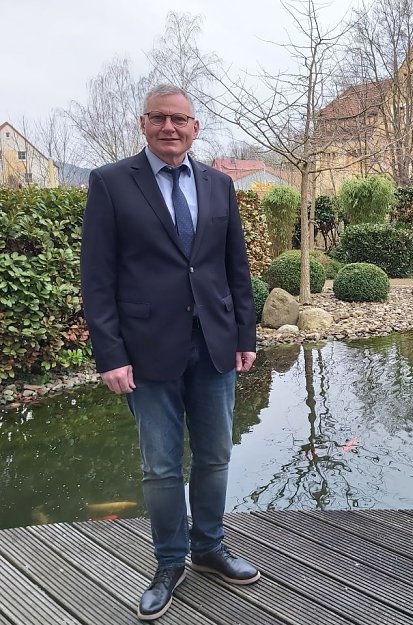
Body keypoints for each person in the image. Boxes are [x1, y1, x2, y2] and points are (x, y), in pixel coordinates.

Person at [81, 84, 259, 621]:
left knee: (215, 456)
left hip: (213, 345)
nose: (169, 128)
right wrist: (109, 354)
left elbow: (236, 269)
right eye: (159, 118)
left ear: (195, 127)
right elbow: (98, 277)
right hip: (146, 349)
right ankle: (169, 562)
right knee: (161, 468)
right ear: (143, 123)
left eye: (179, 119)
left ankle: (208, 548)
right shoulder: (111, 183)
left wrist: (245, 337)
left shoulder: (218, 186)